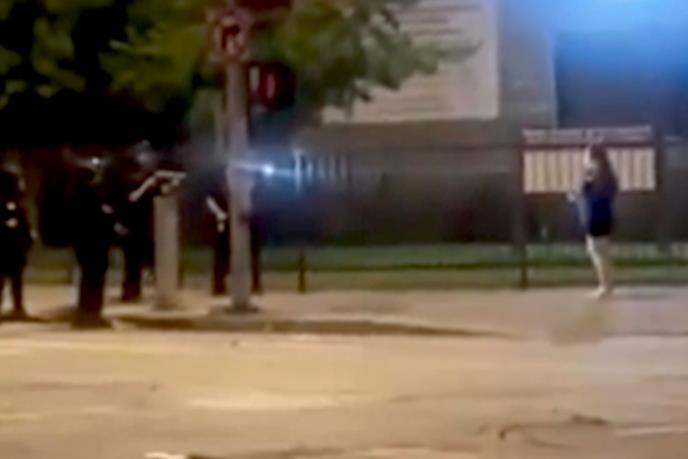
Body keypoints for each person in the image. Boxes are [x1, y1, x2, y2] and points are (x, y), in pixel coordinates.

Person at [571, 145, 618, 299]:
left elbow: (588, 194)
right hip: (601, 217)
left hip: (597, 218)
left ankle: (605, 286)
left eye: (586, 157)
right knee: (600, 252)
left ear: (594, 159)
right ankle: (606, 285)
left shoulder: (597, 177)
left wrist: (578, 195)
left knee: (599, 253)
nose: (584, 161)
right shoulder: (606, 176)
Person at [0, 164, 33, 320]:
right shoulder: (8, 203)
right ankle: (17, 307)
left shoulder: (17, 203)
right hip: (8, 246)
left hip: (14, 247)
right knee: (7, 278)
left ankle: (18, 307)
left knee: (15, 278)